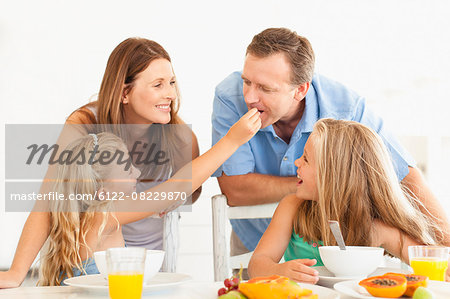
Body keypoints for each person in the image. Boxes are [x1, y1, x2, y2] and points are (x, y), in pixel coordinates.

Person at [211, 27, 450, 277]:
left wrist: (446, 251)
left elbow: (404, 176)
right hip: (259, 242)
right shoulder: (230, 97)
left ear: (300, 90)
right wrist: (318, 185)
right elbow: (236, 189)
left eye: (265, 89)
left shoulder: (347, 109)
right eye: (246, 82)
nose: (248, 97)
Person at [0, 37, 219, 288]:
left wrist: (170, 200)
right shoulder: (84, 124)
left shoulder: (179, 136)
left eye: (171, 82)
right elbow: (50, 197)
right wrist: (17, 272)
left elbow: (189, 191)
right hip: (92, 260)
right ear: (125, 92)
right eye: (158, 84)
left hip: (149, 262)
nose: (170, 94)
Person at [19, 108, 260, 286]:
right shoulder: (104, 216)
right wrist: (231, 141)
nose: (137, 173)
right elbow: (176, 186)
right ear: (102, 192)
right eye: (126, 168)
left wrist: (150, 207)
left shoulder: (80, 217)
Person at [247, 118, 445, 283]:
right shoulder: (292, 208)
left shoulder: (375, 227)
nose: (297, 162)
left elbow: (432, 262)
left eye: (306, 159)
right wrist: (279, 271)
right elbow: (257, 264)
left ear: (333, 176)